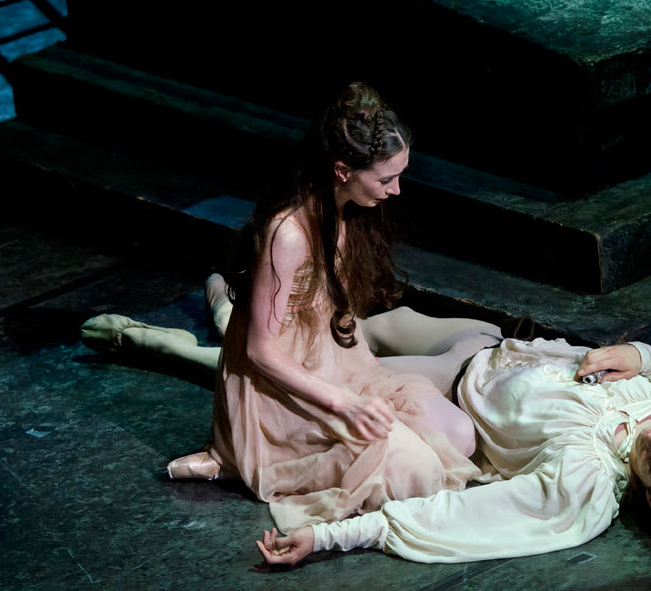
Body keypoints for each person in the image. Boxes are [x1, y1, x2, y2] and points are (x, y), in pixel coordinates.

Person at [83, 82, 498, 532]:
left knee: (459, 437)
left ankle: (221, 304)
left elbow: (313, 307)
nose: (396, 190)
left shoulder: (344, 210)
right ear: (342, 171)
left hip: (329, 351)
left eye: (399, 175)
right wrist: (343, 404)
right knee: (416, 473)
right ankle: (230, 439)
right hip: (280, 376)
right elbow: (262, 351)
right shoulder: (290, 233)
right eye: (385, 179)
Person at [254, 337, 651, 565]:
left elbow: (457, 515)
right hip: (495, 341)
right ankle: (235, 311)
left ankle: (211, 337)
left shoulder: (584, 484)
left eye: (650, 456)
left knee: (305, 367)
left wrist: (325, 537)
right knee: (349, 321)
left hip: (447, 387)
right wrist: (638, 355)